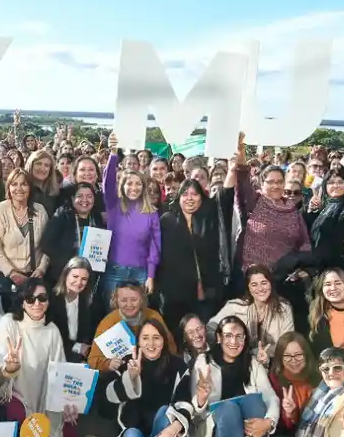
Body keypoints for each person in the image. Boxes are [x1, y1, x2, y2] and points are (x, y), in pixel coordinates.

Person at [0, 278, 71, 437]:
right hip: (13, 394)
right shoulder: (9, 322)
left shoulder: (52, 330)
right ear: (22, 301)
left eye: (42, 298)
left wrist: (67, 401)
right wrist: (9, 369)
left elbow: (61, 375)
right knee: (16, 431)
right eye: (30, 299)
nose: (37, 303)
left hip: (43, 399)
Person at [229, 133, 311, 276]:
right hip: (251, 277)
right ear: (261, 183)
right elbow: (242, 178)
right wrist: (241, 152)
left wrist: (303, 268)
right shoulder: (254, 201)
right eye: (271, 182)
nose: (275, 186)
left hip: (283, 278)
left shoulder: (292, 210)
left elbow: (305, 243)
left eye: (279, 182)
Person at [156, 179, 224, 333]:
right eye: (185, 194)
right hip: (175, 294)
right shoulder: (167, 221)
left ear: (202, 197)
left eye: (194, 194)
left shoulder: (210, 220)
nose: (190, 198)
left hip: (207, 291)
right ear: (179, 198)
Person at [100, 143, 161, 303]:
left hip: (140, 273)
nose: (134, 188)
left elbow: (154, 247)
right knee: (112, 314)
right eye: (129, 183)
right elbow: (108, 182)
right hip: (115, 270)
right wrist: (114, 154)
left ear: (143, 187)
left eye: (138, 184)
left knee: (136, 313)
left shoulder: (151, 212)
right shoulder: (114, 205)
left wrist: (150, 276)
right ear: (122, 185)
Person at [0, 169, 50, 310]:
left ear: (30, 187)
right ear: (8, 187)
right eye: (14, 184)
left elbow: (48, 244)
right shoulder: (0, 210)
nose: (19, 188)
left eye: (24, 184)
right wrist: (11, 272)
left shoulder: (40, 211)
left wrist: (41, 269)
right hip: (7, 280)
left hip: (34, 278)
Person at [208, 265, 295, 357]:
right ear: (248, 288)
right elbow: (211, 326)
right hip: (241, 359)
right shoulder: (235, 307)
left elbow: (287, 341)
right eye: (254, 285)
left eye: (264, 283)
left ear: (271, 284)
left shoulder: (283, 308)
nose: (260, 289)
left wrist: (265, 353)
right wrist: (222, 341)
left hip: (274, 359)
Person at [87, 281, 174, 373]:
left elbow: (171, 348)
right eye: (124, 300)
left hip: (155, 369)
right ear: (116, 301)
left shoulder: (154, 316)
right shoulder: (108, 322)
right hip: (122, 373)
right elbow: (92, 361)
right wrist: (108, 364)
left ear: (142, 300)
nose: (129, 305)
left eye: (134, 299)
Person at [47, 257, 98, 362]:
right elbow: (52, 335)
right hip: (56, 353)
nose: (79, 282)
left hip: (80, 355)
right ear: (66, 275)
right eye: (75, 276)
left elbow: (87, 333)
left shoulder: (87, 301)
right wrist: (78, 347)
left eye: (84, 279)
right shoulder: (51, 299)